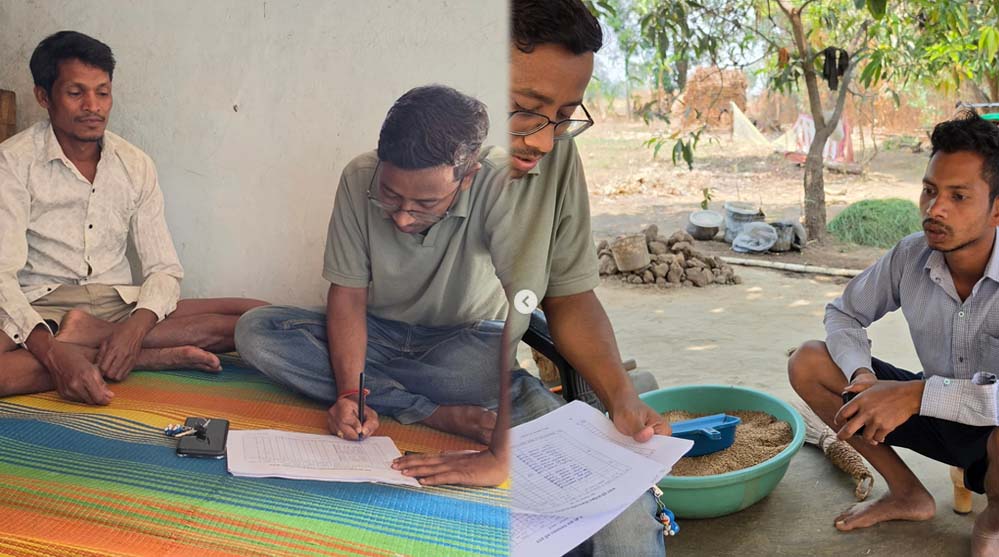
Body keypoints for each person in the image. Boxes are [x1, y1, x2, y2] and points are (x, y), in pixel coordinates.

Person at [398, 1, 672, 554]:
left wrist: (621, 397)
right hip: (388, 363)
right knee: (264, 332)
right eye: (525, 110)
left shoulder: (557, 160)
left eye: (565, 115)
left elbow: (570, 297)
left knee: (626, 525)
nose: (545, 141)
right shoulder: (403, 152)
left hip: (490, 376)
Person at [235, 85, 533, 487]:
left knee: (488, 364)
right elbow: (348, 297)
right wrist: (349, 393)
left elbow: (525, 301)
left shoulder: (502, 184)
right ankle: (431, 411)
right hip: (379, 334)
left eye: (425, 204)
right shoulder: (359, 176)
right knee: (257, 332)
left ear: (468, 177)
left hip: (463, 342)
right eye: (390, 196)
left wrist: (502, 456)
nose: (403, 218)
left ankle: (384, 388)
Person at [0, 31, 267, 405]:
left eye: (103, 93)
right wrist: (54, 355)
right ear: (44, 96)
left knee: (252, 316)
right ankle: (142, 358)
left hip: (117, 303)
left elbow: (164, 268)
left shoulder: (134, 164)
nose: (93, 106)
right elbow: (2, 276)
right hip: (43, 305)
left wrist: (136, 329)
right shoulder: (13, 162)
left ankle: (99, 337)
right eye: (76, 93)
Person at [789, 112, 999, 557]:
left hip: (992, 433)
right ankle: (907, 493)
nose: (934, 209)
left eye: (958, 196)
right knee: (808, 361)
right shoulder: (911, 255)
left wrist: (917, 395)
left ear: (997, 208)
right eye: (929, 190)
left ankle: (994, 521)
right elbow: (844, 313)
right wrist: (862, 375)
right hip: (936, 418)